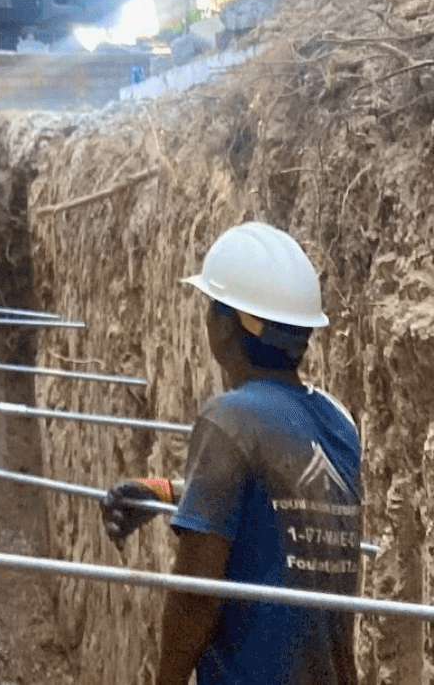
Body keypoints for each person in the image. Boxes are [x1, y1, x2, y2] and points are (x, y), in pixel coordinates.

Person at [100, 222, 363, 685]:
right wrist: (163, 491)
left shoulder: (229, 419)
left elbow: (196, 595)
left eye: (210, 309)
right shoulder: (339, 424)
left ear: (226, 326)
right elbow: (272, 499)